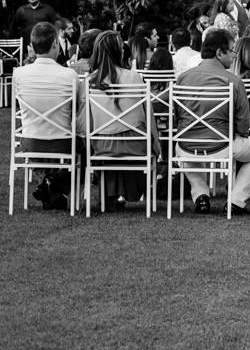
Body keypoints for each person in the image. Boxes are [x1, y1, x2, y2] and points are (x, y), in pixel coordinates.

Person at [174, 29, 250, 215]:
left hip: (185, 146)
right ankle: (236, 201)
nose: (234, 56)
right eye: (232, 51)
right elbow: (243, 124)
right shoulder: (233, 81)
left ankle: (201, 196)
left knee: (186, 154)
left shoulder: (182, 79)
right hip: (222, 145)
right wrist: (239, 134)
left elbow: (177, 115)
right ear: (219, 53)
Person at [85, 31, 159, 210]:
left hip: (102, 144)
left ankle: (109, 197)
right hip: (135, 144)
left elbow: (85, 120)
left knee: (111, 148)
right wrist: (156, 146)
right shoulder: (134, 77)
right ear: (119, 51)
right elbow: (147, 115)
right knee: (130, 135)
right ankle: (125, 193)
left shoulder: (90, 80)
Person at [12, 21, 81, 210]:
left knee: (34, 144)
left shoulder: (18, 74)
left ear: (32, 46)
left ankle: (48, 183)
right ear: (55, 45)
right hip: (64, 141)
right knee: (85, 146)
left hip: (30, 141)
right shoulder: (69, 75)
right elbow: (77, 108)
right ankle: (55, 183)